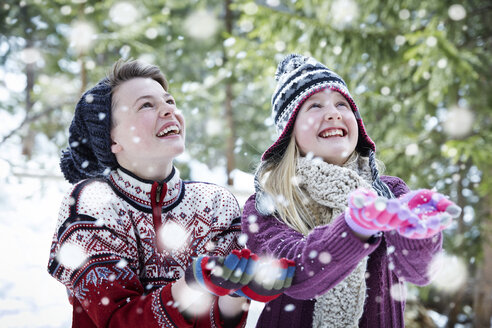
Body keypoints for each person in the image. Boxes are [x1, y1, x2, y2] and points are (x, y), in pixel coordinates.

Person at [47, 59, 294, 328]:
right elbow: (117, 321)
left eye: (170, 101)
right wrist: (192, 283)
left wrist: (236, 292)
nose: (168, 110)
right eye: (146, 105)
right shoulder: (91, 204)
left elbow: (217, 322)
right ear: (111, 140)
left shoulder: (214, 204)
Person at [240, 54, 461, 327]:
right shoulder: (268, 203)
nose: (333, 113)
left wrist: (419, 235)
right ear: (289, 131)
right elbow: (292, 275)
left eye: (342, 104)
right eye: (315, 106)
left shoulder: (389, 192)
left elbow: (419, 272)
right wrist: (354, 228)